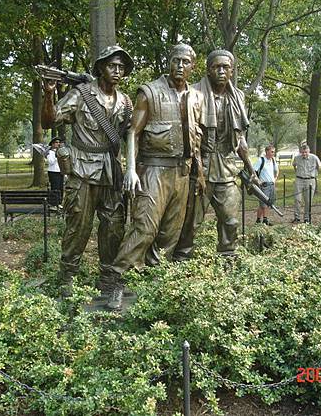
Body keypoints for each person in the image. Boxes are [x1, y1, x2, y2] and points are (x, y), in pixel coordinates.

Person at [107, 43, 204, 310]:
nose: (180, 66)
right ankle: (116, 279)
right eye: (176, 60)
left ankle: (152, 279)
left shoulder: (196, 97)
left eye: (185, 62)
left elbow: (197, 138)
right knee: (145, 228)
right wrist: (129, 169)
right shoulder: (149, 92)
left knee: (169, 234)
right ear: (169, 62)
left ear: (193, 66)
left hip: (182, 173)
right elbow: (133, 133)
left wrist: (200, 174)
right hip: (152, 169)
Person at [41, 45, 134, 295]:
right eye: (112, 65)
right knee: (78, 224)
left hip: (112, 171)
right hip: (82, 168)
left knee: (114, 226)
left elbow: (132, 135)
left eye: (121, 67)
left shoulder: (125, 101)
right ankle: (68, 276)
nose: (117, 71)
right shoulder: (81, 94)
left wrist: (134, 169)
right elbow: (49, 121)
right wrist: (49, 95)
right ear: (101, 67)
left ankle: (109, 278)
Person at [172, 49, 257, 261]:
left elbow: (240, 140)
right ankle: (181, 259)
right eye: (216, 67)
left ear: (231, 71)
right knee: (191, 221)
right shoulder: (194, 94)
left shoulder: (237, 97)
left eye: (225, 67)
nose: (221, 71)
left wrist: (251, 169)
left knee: (230, 220)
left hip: (227, 167)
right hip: (200, 165)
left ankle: (228, 256)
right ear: (208, 70)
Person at [292, 144, 321, 223]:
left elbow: (319, 167)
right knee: (297, 199)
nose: (304, 154)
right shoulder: (297, 158)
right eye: (303, 152)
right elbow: (294, 165)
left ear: (309, 151)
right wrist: (297, 173)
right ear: (300, 152)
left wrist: (314, 175)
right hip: (299, 180)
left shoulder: (314, 157)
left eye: (306, 152)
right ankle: (297, 217)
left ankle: (306, 217)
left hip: (310, 181)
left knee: (308, 200)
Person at [254, 144, 278, 225]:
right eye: (272, 152)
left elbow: (277, 171)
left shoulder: (273, 160)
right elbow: (254, 172)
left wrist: (275, 179)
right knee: (263, 204)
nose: (273, 153)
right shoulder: (261, 160)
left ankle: (263, 220)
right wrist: (259, 182)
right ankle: (261, 220)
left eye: (274, 152)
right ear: (267, 152)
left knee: (269, 203)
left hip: (272, 185)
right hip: (264, 185)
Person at [46, 137, 63, 204]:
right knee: (55, 188)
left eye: (59, 142)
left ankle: (59, 202)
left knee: (60, 188)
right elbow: (50, 162)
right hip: (53, 172)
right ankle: (54, 203)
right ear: (52, 144)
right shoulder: (50, 152)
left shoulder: (60, 152)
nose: (58, 144)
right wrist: (56, 157)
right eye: (56, 142)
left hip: (60, 171)